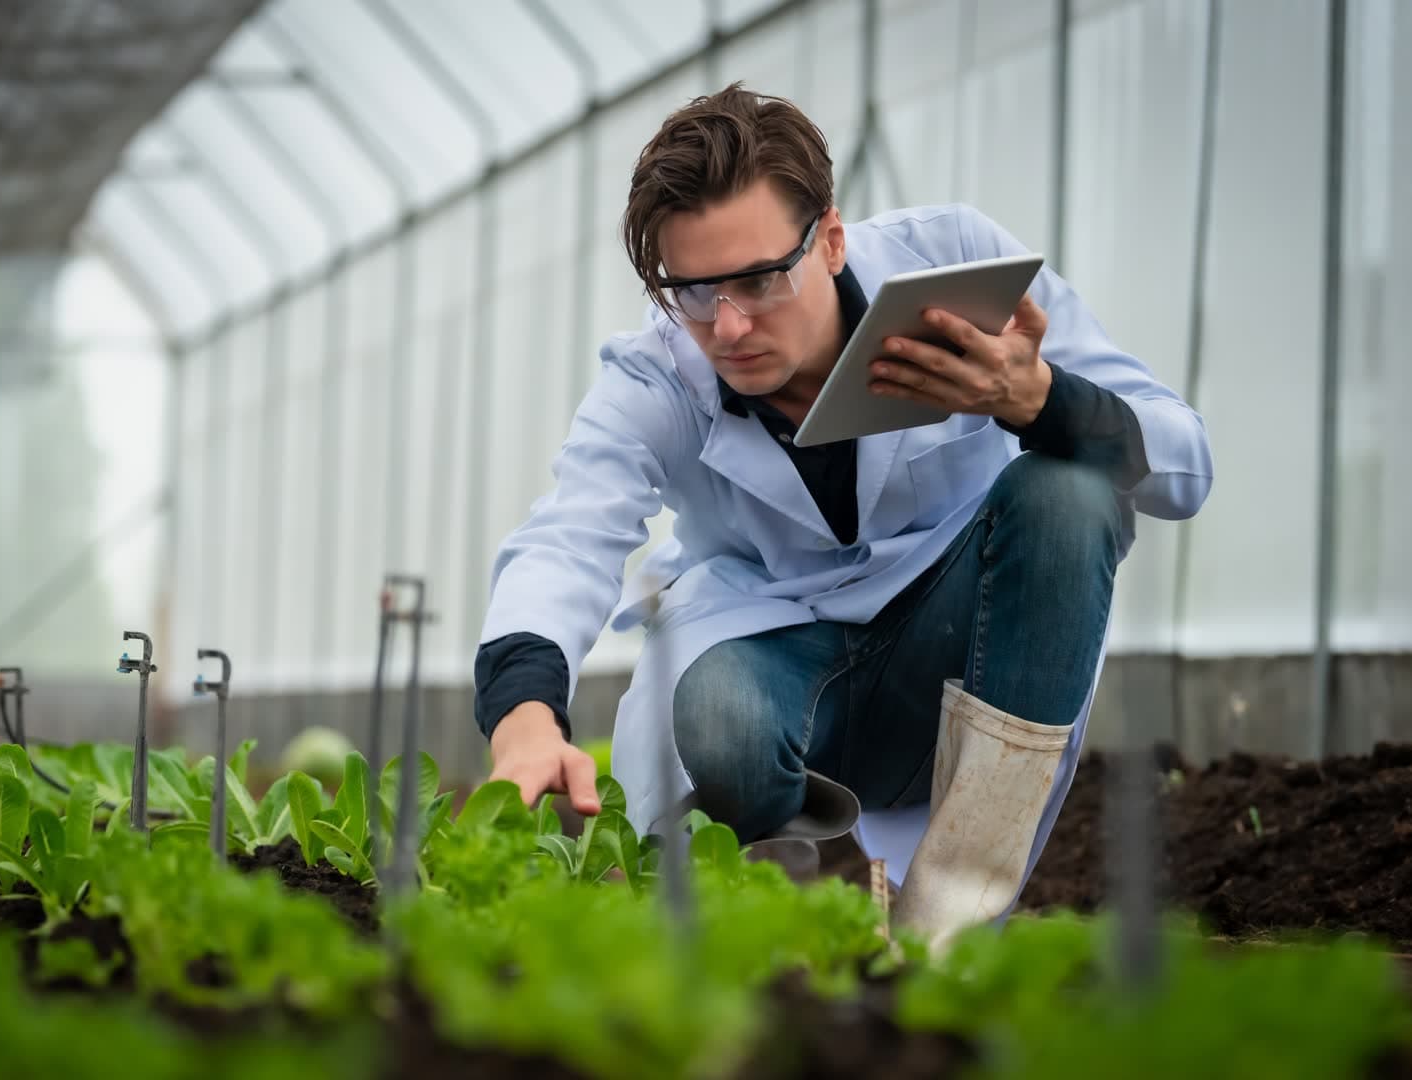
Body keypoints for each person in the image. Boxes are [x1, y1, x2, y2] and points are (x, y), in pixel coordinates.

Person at [471, 83, 1212, 945]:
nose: (731, 324)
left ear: (828, 238)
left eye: (757, 278)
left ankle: (951, 933)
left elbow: (1184, 465)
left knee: (1069, 490)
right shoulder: (657, 376)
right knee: (719, 718)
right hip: (780, 663)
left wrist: (1037, 398)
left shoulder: (953, 268)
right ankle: (799, 904)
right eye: (694, 292)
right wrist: (526, 715)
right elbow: (568, 538)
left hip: (956, 650)